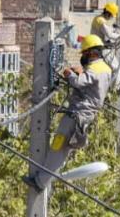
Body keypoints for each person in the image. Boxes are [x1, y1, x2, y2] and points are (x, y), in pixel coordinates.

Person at [23, 34, 112, 191]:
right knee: (61, 148)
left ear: (91, 53)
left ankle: (40, 182)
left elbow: (78, 82)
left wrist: (69, 74)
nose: (83, 57)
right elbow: (90, 83)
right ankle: (44, 180)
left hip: (77, 115)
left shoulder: (93, 69)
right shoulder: (105, 68)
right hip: (83, 115)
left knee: (58, 148)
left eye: (85, 53)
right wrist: (80, 72)